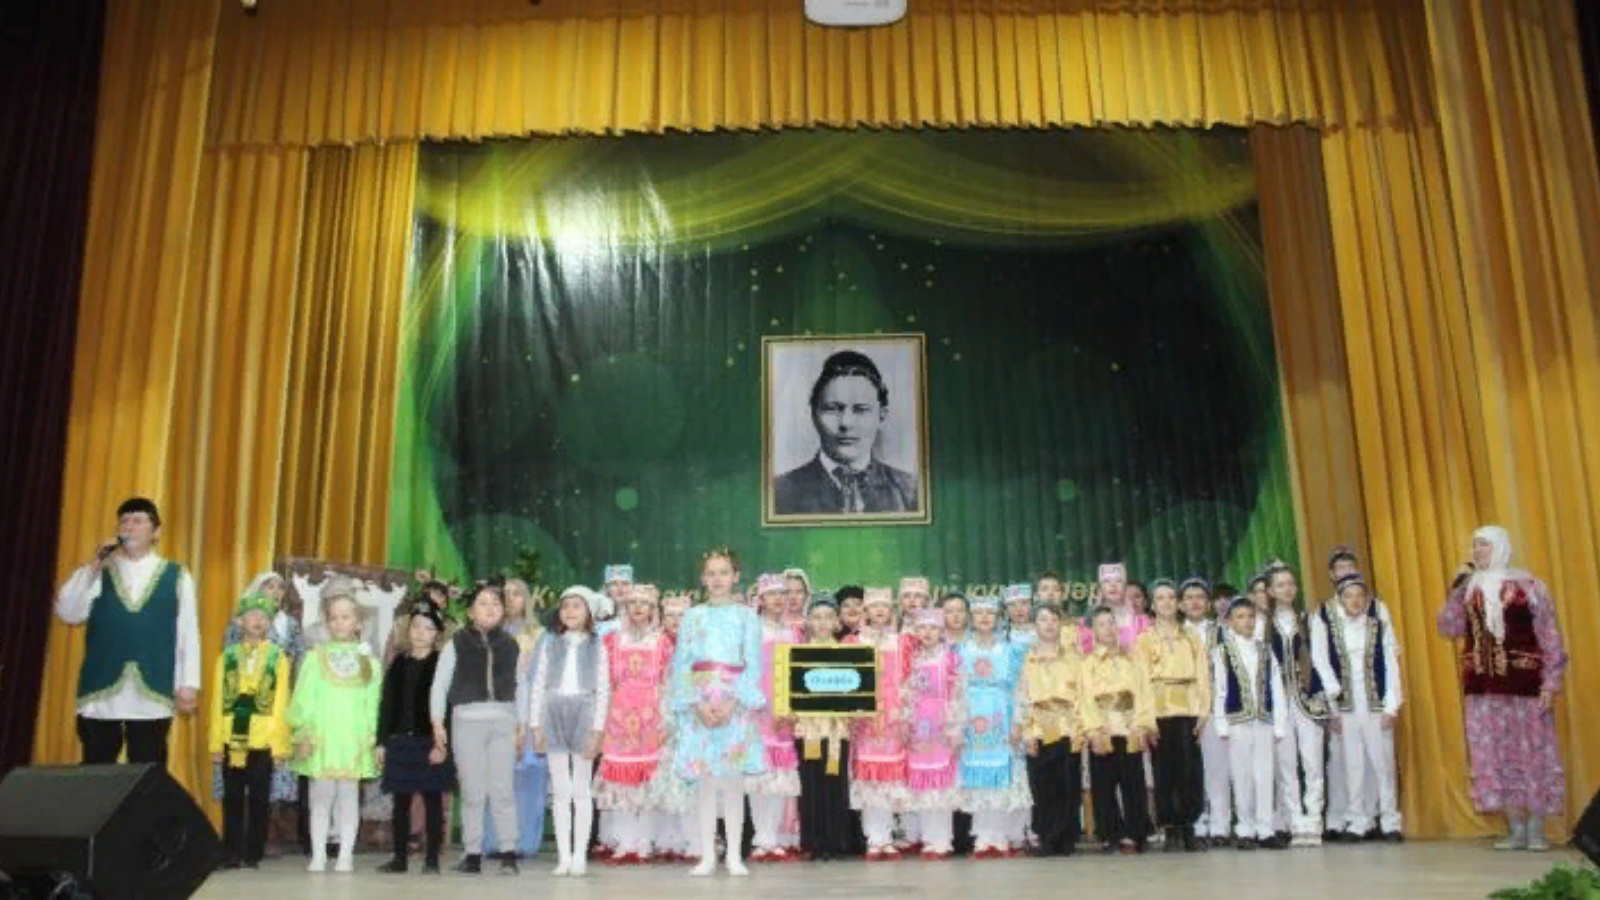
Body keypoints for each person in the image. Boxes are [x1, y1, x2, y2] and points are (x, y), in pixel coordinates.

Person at [1438, 526, 1567, 852]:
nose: (1477, 551)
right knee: (1495, 755)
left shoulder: (1529, 586)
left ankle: (1537, 829)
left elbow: (1549, 634)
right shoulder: (1470, 589)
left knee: (1532, 753)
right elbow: (1448, 627)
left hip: (1525, 684)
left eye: (1483, 545)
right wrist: (1457, 587)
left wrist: (1551, 682)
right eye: (1475, 545)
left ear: (1499, 547)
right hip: (1483, 688)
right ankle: (1516, 829)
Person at [55, 497, 201, 765]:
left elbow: (187, 631)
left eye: (137, 521)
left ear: (156, 532)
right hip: (101, 690)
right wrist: (92, 568)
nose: (129, 527)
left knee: (147, 770)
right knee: (97, 770)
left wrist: (188, 684)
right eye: (124, 521)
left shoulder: (177, 575)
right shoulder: (99, 571)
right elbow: (68, 612)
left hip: (152, 691)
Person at [670, 547, 767, 877]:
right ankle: (708, 855)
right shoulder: (692, 616)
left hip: (734, 705)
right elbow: (682, 663)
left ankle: (735, 855)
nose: (717, 579)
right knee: (707, 783)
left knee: (733, 782)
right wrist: (695, 703)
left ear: (736, 576)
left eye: (724, 572)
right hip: (700, 705)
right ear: (702, 578)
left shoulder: (747, 616)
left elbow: (754, 664)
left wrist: (734, 700)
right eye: (711, 573)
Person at [288, 577, 382, 872]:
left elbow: (374, 703)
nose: (340, 623)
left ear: (358, 621)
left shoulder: (370, 663)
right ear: (327, 623)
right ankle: (318, 854)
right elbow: (303, 699)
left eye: (346, 617)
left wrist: (372, 737)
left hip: (353, 740)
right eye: (334, 618)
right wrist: (303, 733)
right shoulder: (315, 659)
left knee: (349, 798)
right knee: (320, 798)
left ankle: (345, 855)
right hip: (322, 738)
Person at [430, 582, 523, 874]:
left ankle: (508, 852)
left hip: (504, 720)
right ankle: (472, 853)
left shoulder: (511, 645)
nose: (490, 608)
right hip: (467, 721)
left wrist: (522, 724)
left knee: (502, 789)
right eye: (482, 603)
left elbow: (522, 685)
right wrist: (437, 721)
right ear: (470, 612)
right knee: (472, 791)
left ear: (503, 611)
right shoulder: (456, 643)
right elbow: (440, 684)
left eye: (496, 603)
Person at [772, 349, 919, 515]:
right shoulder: (778, 493)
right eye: (832, 409)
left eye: (861, 410)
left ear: (881, 415)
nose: (845, 423)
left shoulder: (911, 492)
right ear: (814, 415)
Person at [1312, 573, 1402, 843]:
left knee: (1382, 763)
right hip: (1347, 705)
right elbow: (1321, 663)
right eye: (1349, 596)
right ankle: (1357, 821)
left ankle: (1389, 820)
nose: (1355, 600)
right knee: (1352, 764)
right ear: (1340, 600)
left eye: (1360, 595)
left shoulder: (1378, 627)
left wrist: (1392, 705)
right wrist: (1333, 706)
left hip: (1375, 704)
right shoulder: (1331, 629)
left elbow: (1391, 666)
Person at [529, 586, 611, 877]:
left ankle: (580, 855)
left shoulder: (598, 645)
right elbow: (538, 684)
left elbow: (603, 689)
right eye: (565, 606)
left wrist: (598, 729)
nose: (570, 611)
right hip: (553, 713)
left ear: (589, 612)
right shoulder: (550, 642)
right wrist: (535, 723)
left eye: (577, 606)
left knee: (581, 790)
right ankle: (563, 855)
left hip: (584, 713)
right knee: (561, 790)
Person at [209, 587, 292, 870]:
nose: (258, 620)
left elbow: (281, 701)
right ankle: (230, 851)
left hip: (263, 739)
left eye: (263, 616)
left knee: (259, 798)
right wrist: (216, 742)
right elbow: (218, 700)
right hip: (232, 737)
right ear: (239, 621)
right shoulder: (227, 657)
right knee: (232, 798)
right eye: (252, 615)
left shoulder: (278, 657)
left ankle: (253, 851)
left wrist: (279, 744)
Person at [596, 584, 673, 864]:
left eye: (645, 604)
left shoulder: (663, 642)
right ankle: (623, 840)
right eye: (633, 603)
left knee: (647, 781)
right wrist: (601, 719)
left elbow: (668, 683)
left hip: (651, 716)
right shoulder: (611, 641)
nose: (638, 608)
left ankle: (644, 841)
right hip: (618, 716)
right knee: (619, 780)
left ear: (653, 610)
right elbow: (603, 684)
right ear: (625, 608)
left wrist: (666, 719)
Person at [376, 600, 453, 874]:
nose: (421, 633)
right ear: (408, 630)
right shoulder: (399, 663)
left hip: (429, 742)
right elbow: (387, 705)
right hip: (401, 741)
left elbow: (448, 707)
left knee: (432, 800)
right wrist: (382, 741)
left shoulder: (441, 664)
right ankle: (400, 857)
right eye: (417, 627)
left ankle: (432, 859)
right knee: (401, 802)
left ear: (437, 635)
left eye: (429, 629)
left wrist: (441, 744)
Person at [1136, 580, 1210, 852]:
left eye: (1170, 597)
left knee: (1190, 769)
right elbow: (1141, 681)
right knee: (1164, 770)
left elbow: (1203, 674)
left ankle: (1189, 825)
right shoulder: (1144, 639)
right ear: (1152, 605)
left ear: (1178, 603)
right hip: (1160, 710)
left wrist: (1203, 710)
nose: (1166, 603)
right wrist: (1146, 720)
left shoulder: (1191, 637)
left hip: (1188, 708)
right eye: (1160, 598)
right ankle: (1170, 828)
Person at [957, 594, 1031, 858]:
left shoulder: (1011, 651)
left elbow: (1021, 689)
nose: (984, 618)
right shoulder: (961, 651)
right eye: (979, 613)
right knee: (977, 778)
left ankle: (999, 836)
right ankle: (982, 836)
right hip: (971, 719)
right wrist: (955, 723)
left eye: (990, 613)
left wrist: (1019, 722)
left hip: (1002, 718)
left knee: (1002, 778)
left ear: (999, 618)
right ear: (971, 618)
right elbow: (953, 691)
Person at [1264, 562, 1330, 847]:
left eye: (1291, 583)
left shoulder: (1309, 620)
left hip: (1308, 699)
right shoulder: (1263, 625)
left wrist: (1329, 697)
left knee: (1312, 761)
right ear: (1270, 591)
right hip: (1279, 704)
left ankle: (1314, 820)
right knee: (1286, 765)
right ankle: (1294, 821)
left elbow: (1322, 661)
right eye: (1280, 585)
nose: (1287, 589)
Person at [1213, 597, 1287, 851]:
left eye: (1251, 616)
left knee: (1264, 775)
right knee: (1242, 775)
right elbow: (1220, 690)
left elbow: (1277, 687)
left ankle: (1265, 828)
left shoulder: (1265, 650)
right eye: (1241, 617)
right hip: (1238, 722)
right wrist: (1221, 725)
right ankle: (1245, 828)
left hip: (1263, 720)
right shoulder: (1222, 652)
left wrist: (1279, 723)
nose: (1247, 621)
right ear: (1230, 622)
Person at [1081, 606, 1156, 854]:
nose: (1108, 629)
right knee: (1103, 784)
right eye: (1101, 624)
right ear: (1093, 631)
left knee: (1133, 781)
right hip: (1103, 728)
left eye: (1111, 623)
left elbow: (1144, 693)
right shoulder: (1087, 663)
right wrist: (1093, 731)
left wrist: (1143, 725)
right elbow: (1084, 699)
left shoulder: (1134, 658)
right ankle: (1110, 833)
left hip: (1130, 727)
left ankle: (1136, 831)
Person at [483, 577, 546, 860]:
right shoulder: (488, 633)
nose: (510, 599)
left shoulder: (539, 634)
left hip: (529, 709)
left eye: (517, 593)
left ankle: (523, 841)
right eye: (505, 594)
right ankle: (496, 840)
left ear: (527, 599)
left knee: (527, 779)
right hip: (496, 707)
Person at [793, 596, 858, 860]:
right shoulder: (797, 655)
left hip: (836, 727)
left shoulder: (846, 654)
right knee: (810, 784)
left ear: (837, 622)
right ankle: (813, 842)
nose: (822, 623)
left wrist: (853, 711)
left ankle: (836, 840)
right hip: (807, 727)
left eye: (828, 617)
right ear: (808, 622)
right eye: (816, 617)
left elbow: (856, 691)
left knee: (835, 782)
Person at [850, 587, 911, 860]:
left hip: (893, 719)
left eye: (884, 607)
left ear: (891, 611)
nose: (879, 611)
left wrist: (906, 713)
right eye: (874, 606)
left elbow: (909, 681)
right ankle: (873, 838)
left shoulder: (902, 642)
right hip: (865, 720)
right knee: (869, 778)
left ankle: (886, 837)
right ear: (866, 611)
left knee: (889, 778)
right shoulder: (854, 642)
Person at [900, 608, 964, 859]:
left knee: (941, 782)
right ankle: (928, 838)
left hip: (941, 726)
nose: (927, 633)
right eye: (922, 628)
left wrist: (954, 726)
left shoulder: (950, 659)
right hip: (918, 727)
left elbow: (958, 694)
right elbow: (904, 694)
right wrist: (905, 721)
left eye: (933, 628)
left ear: (941, 631)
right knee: (922, 782)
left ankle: (943, 839)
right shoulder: (910, 660)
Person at [1020, 604, 1083, 857]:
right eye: (1043, 620)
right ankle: (1045, 836)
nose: (1048, 625)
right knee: (1041, 784)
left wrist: (1080, 728)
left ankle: (1066, 837)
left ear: (1061, 624)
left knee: (1068, 783)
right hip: (1038, 727)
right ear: (1034, 626)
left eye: (1053, 620)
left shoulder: (1074, 657)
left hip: (1068, 727)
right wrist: (1028, 731)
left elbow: (1083, 694)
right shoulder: (1025, 658)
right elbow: (1022, 696)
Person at [749, 574, 803, 863]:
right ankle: (762, 837)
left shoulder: (793, 633)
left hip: (784, 713)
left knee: (780, 778)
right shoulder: (751, 630)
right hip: (756, 712)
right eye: (772, 594)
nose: (779, 600)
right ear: (760, 599)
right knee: (759, 777)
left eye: (782, 594)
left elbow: (799, 674)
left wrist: (795, 708)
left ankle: (776, 837)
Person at [1180, 577, 1231, 847]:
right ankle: (1197, 822)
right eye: (1189, 598)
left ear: (1208, 603)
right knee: (1190, 768)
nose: (1195, 602)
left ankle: (1221, 824)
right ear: (1181, 604)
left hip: (1214, 708)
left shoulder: (1221, 631)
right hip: (1183, 708)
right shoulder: (1175, 632)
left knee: (1216, 767)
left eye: (1200, 597)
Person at [648, 592, 698, 863]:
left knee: (691, 779)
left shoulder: (699, 646)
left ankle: (694, 839)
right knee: (663, 778)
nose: (676, 621)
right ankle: (666, 839)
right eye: (670, 615)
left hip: (693, 718)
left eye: (682, 616)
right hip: (661, 716)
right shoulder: (656, 644)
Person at [1080, 564, 1149, 652]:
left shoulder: (1141, 621)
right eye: (1106, 581)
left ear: (1125, 587)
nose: (1113, 585)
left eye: (1118, 581)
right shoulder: (1090, 618)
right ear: (1101, 588)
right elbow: (1084, 650)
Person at [1002, 584, 1036, 648]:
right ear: (1006, 610)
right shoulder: (1000, 635)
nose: (1019, 609)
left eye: (1024, 603)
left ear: (1032, 606)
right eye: (1012, 605)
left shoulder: (1043, 631)